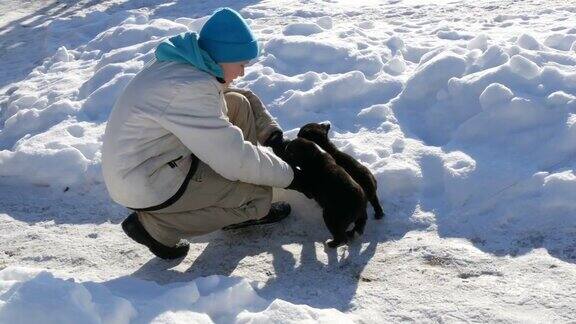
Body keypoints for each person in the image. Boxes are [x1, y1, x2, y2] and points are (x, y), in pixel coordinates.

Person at [101, 7, 301, 260]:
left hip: (151, 162)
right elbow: (234, 158)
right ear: (223, 57)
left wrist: (275, 138)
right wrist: (294, 178)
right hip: (149, 182)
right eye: (240, 64)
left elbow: (242, 99)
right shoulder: (188, 89)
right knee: (259, 199)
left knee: (239, 102)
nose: (242, 72)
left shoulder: (189, 64)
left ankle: (234, 192)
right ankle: (157, 228)